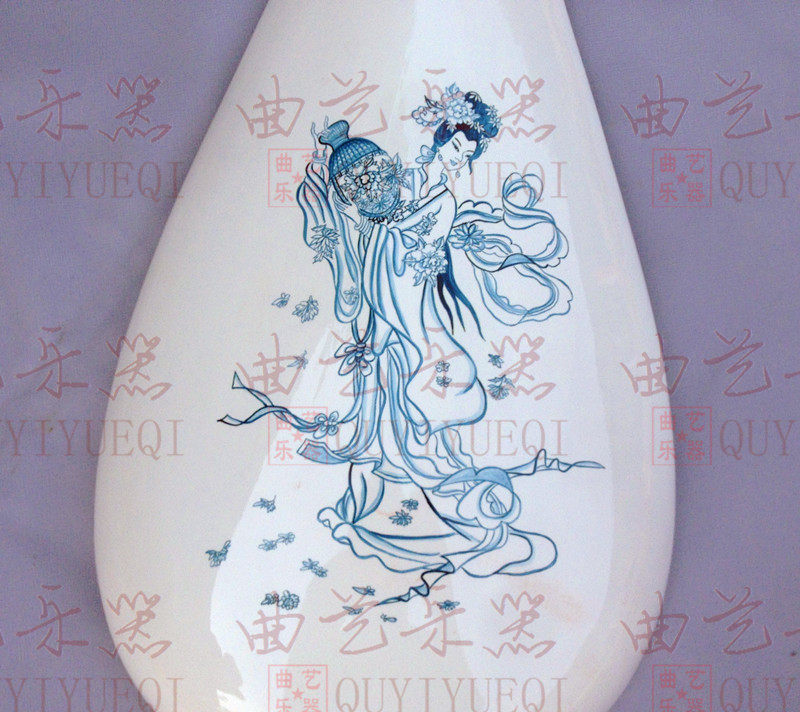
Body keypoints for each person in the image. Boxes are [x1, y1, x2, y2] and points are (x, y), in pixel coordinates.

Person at [221, 85, 601, 603]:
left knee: (418, 427)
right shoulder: (398, 208)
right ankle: (400, 515)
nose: (459, 158)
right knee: (397, 431)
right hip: (397, 342)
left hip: (416, 333)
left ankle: (436, 514)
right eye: (456, 146)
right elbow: (378, 280)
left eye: (467, 153)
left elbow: (410, 260)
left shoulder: (428, 202)